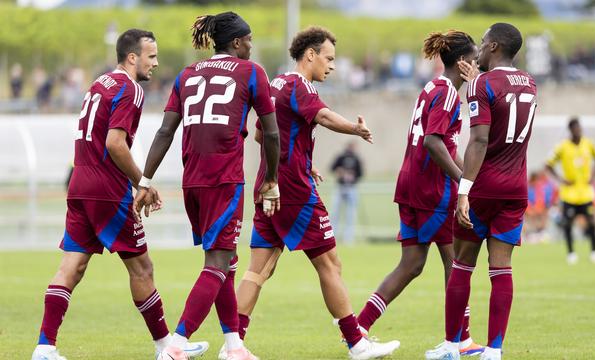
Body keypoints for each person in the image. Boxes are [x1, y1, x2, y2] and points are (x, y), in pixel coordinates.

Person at [30, 29, 205, 360]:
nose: (155, 63)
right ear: (132, 58)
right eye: (151, 56)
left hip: (81, 185)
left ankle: (44, 346)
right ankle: (166, 348)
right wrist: (143, 182)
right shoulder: (130, 88)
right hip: (107, 191)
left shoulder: (100, 84)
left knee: (72, 266)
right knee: (142, 268)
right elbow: (114, 143)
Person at [227, 26, 400, 360]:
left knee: (258, 269)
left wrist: (303, 162)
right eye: (329, 58)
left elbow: (264, 135)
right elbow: (321, 115)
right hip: (292, 191)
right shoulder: (297, 85)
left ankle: (234, 345)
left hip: (269, 185)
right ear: (310, 55)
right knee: (330, 263)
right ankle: (356, 343)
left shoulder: (275, 83)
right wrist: (355, 128)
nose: (332, 66)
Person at [133, 13, 281, 360]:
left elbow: (165, 131)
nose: (250, 46)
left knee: (225, 262)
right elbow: (271, 132)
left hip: (193, 181)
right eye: (248, 41)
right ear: (235, 43)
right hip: (224, 179)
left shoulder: (187, 74)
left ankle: (234, 346)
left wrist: (144, 180)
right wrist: (271, 179)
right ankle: (176, 344)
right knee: (217, 262)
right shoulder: (252, 72)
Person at [354, 30, 483, 357]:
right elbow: (434, 142)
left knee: (411, 264)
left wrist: (466, 180)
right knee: (456, 263)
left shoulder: (432, 87)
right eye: (475, 57)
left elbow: (443, 143)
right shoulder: (449, 94)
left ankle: (358, 328)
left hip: (410, 183)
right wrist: (461, 183)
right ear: (462, 61)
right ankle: (459, 339)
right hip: (432, 190)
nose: (478, 62)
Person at [426, 22, 537, 360]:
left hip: (484, 187)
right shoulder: (531, 83)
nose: (479, 48)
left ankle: (451, 346)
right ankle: (495, 350)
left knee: (462, 265)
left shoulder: (482, 85)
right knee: (501, 268)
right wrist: (478, 83)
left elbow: (479, 139)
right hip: (516, 187)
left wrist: (464, 190)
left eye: (484, 41)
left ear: (493, 47)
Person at [545, 117, 595, 264]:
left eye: (580, 128)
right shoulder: (562, 147)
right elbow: (548, 164)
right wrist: (560, 179)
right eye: (575, 129)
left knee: (592, 222)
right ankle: (571, 254)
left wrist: (594, 176)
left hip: (585, 193)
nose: (578, 131)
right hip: (569, 194)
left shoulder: (588, 144)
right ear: (570, 130)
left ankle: (594, 252)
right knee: (567, 223)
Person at [330, 141, 363, 245]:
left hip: (351, 188)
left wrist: (353, 176)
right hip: (340, 187)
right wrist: (340, 172)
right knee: (335, 213)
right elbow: (332, 168)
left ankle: (348, 238)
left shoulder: (357, 158)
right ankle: (332, 237)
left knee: (350, 214)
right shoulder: (341, 157)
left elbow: (360, 173)